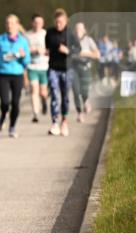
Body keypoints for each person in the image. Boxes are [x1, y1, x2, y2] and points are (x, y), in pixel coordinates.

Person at [0, 14, 31, 138]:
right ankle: (3, 116)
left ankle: (12, 126)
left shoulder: (23, 41)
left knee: (15, 103)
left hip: (17, 74)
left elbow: (27, 61)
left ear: (17, 25)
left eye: (12, 23)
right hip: (3, 74)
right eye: (7, 23)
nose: (9, 26)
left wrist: (23, 56)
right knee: (4, 102)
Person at [45, 8, 76, 137]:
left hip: (67, 69)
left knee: (65, 96)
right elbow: (47, 47)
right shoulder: (49, 33)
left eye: (61, 22)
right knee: (53, 93)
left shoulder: (70, 34)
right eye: (56, 22)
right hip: (53, 68)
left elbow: (78, 50)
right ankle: (54, 122)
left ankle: (64, 121)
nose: (58, 25)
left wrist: (68, 51)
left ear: (66, 21)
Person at [70, 21, 100, 123]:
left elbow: (97, 54)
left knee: (84, 91)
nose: (78, 30)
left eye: (80, 29)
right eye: (77, 29)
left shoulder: (89, 40)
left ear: (84, 30)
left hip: (85, 68)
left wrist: (85, 53)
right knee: (75, 91)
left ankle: (86, 101)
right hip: (73, 68)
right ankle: (79, 113)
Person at [26, 14, 50, 124]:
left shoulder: (46, 34)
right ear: (32, 23)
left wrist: (44, 51)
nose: (37, 24)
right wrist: (32, 50)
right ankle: (35, 113)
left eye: (40, 22)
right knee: (33, 90)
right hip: (32, 66)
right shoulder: (27, 35)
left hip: (44, 66)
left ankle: (44, 100)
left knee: (43, 92)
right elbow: (24, 50)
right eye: (35, 22)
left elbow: (52, 49)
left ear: (43, 23)